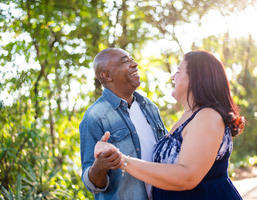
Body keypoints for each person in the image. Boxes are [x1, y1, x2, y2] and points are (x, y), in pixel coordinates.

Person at [95, 50, 245, 200]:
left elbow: (187, 177)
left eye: (178, 71)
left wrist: (122, 160)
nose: (173, 77)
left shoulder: (207, 117)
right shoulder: (189, 117)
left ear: (196, 78)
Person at [79, 48, 168, 200]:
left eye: (132, 59)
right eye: (126, 61)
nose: (135, 64)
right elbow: (91, 184)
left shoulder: (150, 107)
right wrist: (100, 165)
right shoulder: (94, 118)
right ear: (106, 76)